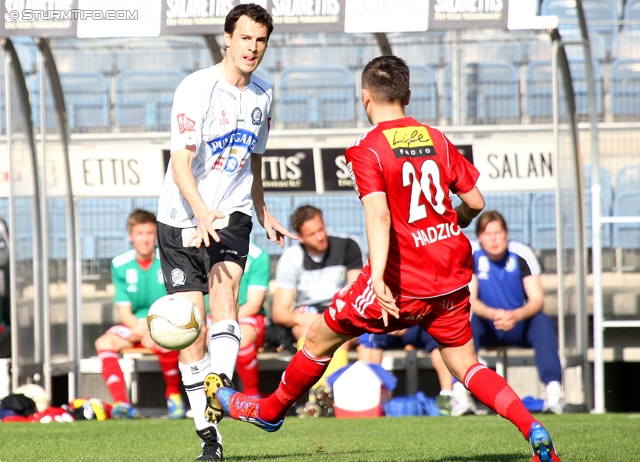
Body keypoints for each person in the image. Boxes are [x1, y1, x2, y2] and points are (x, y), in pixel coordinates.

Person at [210, 56, 561, 462]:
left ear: (364, 98)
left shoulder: (367, 148)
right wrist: (457, 220)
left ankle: (271, 411)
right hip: (450, 275)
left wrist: (376, 276)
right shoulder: (436, 137)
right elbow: (475, 202)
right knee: (466, 365)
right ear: (407, 96)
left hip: (401, 279)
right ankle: (533, 429)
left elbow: (378, 214)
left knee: (320, 337)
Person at [155, 4, 294, 461]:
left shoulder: (264, 94)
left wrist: (262, 209)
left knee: (227, 289)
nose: (253, 48)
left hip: (232, 211)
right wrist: (198, 212)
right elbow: (179, 161)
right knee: (190, 331)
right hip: (181, 219)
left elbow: (252, 159)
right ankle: (209, 436)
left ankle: (223, 381)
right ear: (227, 39)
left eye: (261, 40)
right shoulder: (196, 88)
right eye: (247, 38)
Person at [468, 210, 563, 415]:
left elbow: (537, 300)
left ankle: (554, 392)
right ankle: (460, 395)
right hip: (487, 324)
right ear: (479, 237)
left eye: (498, 232)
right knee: (465, 322)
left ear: (506, 233)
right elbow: (470, 300)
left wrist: (516, 315)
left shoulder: (521, 254)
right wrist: (493, 314)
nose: (493, 239)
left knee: (542, 322)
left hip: (518, 324)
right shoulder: (472, 254)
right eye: (487, 234)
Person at [271, 205, 363, 416]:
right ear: (300, 237)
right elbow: (280, 312)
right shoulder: (291, 258)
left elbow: (357, 299)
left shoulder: (349, 246)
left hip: (342, 313)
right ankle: (323, 395)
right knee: (306, 333)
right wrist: (313, 320)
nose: (320, 237)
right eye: (312, 234)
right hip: (308, 318)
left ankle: (319, 395)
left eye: (321, 229)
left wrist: (330, 319)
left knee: (341, 337)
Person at [94, 209, 185, 420]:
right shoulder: (120, 264)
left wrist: (148, 326)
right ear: (130, 236)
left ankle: (174, 397)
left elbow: (175, 302)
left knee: (165, 339)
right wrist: (140, 328)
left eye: (150, 233)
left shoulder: (169, 261)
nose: (145, 239)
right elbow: (123, 311)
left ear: (156, 235)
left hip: (163, 322)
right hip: (134, 326)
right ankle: (121, 403)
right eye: (139, 233)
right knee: (104, 342)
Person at [357, 326, 454, 415]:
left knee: (439, 344)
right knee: (368, 343)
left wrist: (406, 322)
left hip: (418, 324)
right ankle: (367, 399)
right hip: (387, 325)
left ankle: (446, 397)